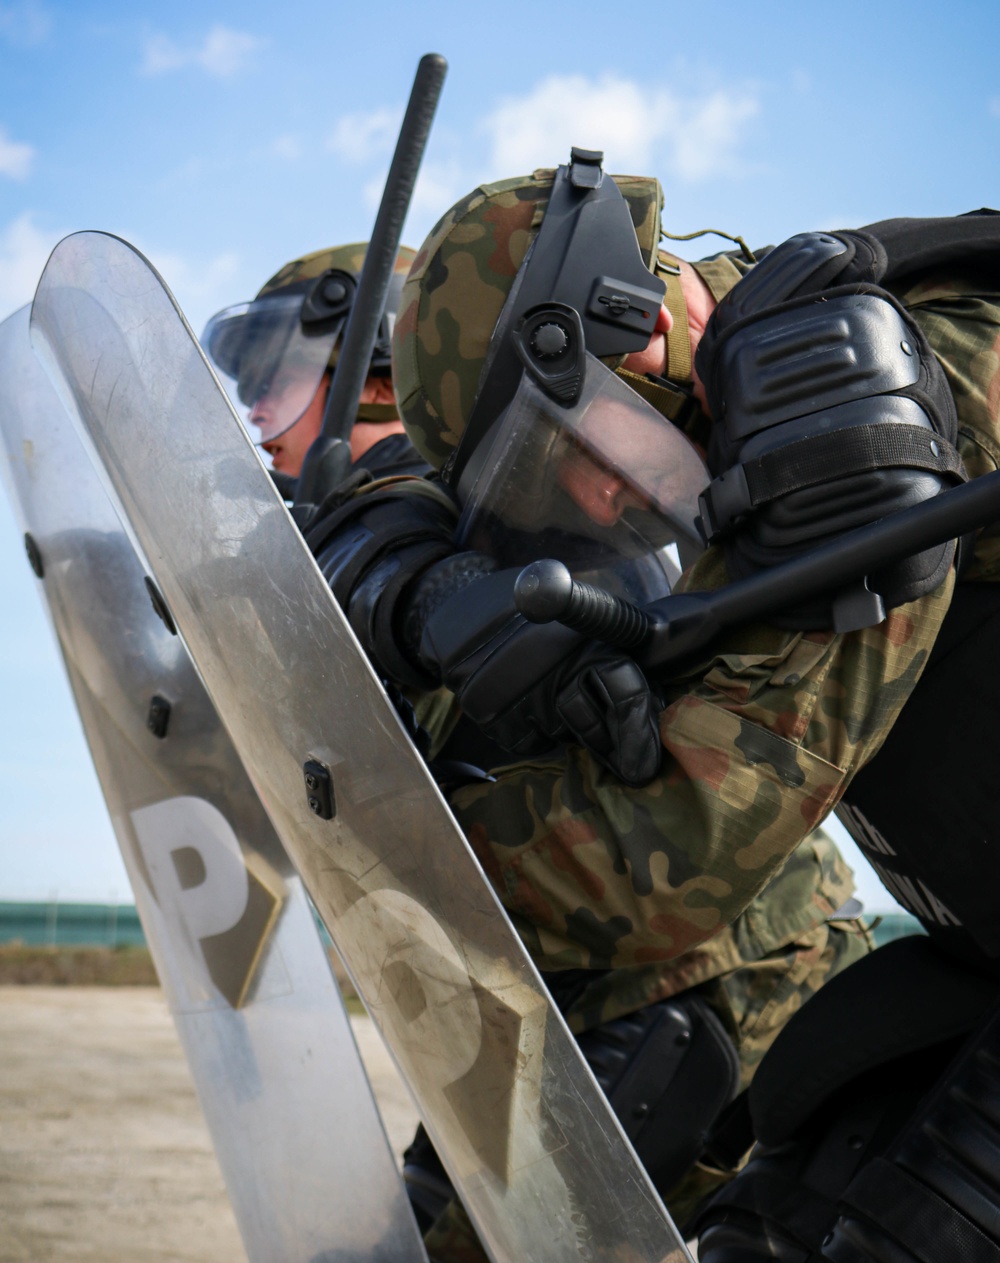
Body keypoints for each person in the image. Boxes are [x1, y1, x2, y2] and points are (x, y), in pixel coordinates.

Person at [324, 156, 1000, 1259]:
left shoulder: (839, 399)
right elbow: (389, 479)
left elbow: (666, 850)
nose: (590, 502)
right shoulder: (726, 417)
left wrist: (368, 842)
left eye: (564, 447)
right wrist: (409, 584)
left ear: (620, 321)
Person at [203, 242, 424, 481]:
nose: (255, 416)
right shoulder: (345, 510)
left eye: (282, 385)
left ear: (384, 389)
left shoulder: (417, 512)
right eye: (255, 394)